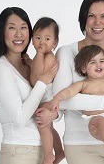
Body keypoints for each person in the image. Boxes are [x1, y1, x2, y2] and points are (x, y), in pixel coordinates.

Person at [49, 0, 104, 163]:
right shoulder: (66, 53)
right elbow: (61, 102)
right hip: (80, 145)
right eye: (91, 16)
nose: (97, 22)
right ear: (83, 20)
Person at [0, 7, 58, 164]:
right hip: (18, 153)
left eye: (24, 27)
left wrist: (53, 115)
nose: (19, 34)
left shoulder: (30, 65)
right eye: (12, 28)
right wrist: (43, 82)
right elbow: (20, 118)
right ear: (2, 33)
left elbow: (50, 104)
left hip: (43, 152)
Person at [27, 17, 65, 164]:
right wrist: (30, 61)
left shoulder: (48, 57)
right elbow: (35, 70)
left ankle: (49, 154)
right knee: (49, 127)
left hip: (47, 99)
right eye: (37, 38)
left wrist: (37, 55)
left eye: (47, 38)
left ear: (55, 43)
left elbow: (37, 77)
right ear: (32, 40)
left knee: (42, 122)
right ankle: (59, 151)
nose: (41, 42)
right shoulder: (42, 57)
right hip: (43, 96)